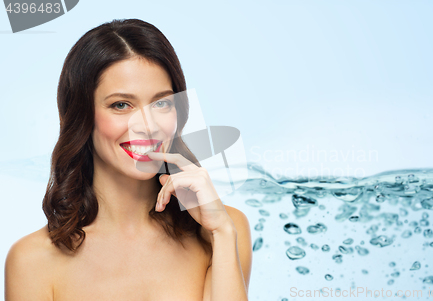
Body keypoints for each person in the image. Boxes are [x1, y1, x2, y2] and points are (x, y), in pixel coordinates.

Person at [4, 18, 252, 301]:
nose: (147, 125)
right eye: (121, 105)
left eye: (162, 102)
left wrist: (221, 232)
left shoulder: (224, 229)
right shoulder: (31, 261)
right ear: (82, 116)